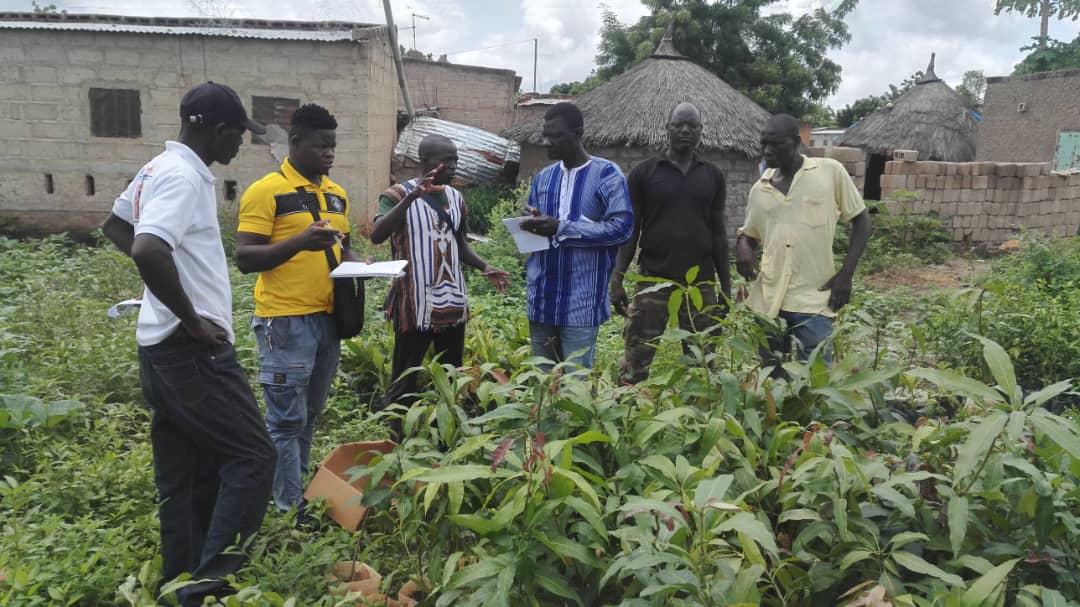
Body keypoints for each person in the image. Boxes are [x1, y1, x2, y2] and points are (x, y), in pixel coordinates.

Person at [101, 82, 275, 607]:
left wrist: (162, 298)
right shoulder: (182, 176)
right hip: (191, 352)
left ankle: (180, 583)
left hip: (160, 350)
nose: (239, 146)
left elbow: (117, 226)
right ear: (215, 129)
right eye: (237, 135)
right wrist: (191, 319)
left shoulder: (156, 167)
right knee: (253, 457)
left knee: (188, 473)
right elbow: (147, 247)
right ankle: (209, 586)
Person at [234, 103, 358, 512]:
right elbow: (246, 257)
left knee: (309, 414)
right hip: (284, 322)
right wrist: (299, 242)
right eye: (321, 146)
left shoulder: (337, 195)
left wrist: (361, 263)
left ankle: (297, 490)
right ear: (296, 142)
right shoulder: (266, 191)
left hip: (328, 321)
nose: (329, 154)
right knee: (286, 420)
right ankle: (288, 507)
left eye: (333, 147)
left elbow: (343, 247)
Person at [370, 134, 509, 434]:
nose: (452, 166)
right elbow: (377, 235)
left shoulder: (457, 198)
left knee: (451, 373)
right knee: (406, 375)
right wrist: (412, 197)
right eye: (445, 160)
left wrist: (486, 266)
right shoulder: (395, 195)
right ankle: (397, 436)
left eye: (455, 159)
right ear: (425, 161)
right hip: (414, 300)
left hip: (451, 298)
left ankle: (448, 432)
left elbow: (460, 244)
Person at [735, 113, 871, 370]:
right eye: (764, 144)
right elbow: (749, 234)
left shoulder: (829, 172)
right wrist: (743, 246)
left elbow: (862, 221)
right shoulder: (759, 190)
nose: (767, 151)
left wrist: (846, 273)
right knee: (772, 375)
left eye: (776, 144)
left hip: (815, 297)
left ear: (796, 142)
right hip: (769, 299)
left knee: (816, 376)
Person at [610, 102, 732, 384]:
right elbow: (631, 230)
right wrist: (617, 278)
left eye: (692, 125)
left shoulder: (712, 176)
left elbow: (718, 233)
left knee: (703, 361)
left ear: (701, 131)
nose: (685, 130)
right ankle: (628, 409)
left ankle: (698, 419)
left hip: (700, 284)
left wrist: (725, 287)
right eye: (679, 125)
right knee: (636, 356)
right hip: (653, 280)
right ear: (667, 129)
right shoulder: (644, 173)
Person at [520, 102, 633, 370]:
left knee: (575, 387)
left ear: (577, 133)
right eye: (545, 135)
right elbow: (539, 230)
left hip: (581, 301)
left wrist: (562, 227)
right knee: (542, 384)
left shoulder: (607, 175)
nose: (546, 142)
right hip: (542, 299)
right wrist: (532, 223)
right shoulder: (543, 178)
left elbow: (622, 228)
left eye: (555, 136)